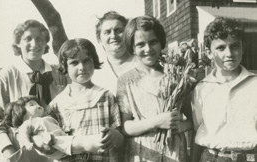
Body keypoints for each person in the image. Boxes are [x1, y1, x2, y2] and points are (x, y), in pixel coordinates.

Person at [116, 15, 192, 162]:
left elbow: (193, 120)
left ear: (161, 42)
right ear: (132, 47)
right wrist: (157, 121)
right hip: (141, 153)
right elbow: (125, 128)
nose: (148, 49)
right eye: (140, 44)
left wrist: (179, 126)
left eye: (153, 42)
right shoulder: (126, 80)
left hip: (174, 151)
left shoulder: (176, 76)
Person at [0, 19, 67, 162]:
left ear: (46, 43)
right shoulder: (7, 75)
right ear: (18, 43)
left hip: (55, 153)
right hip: (19, 152)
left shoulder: (58, 74)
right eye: (28, 39)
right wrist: (9, 151)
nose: (34, 44)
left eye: (40, 39)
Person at [46, 38, 124, 162]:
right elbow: (49, 145)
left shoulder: (105, 97)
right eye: (74, 63)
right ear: (65, 66)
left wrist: (115, 136)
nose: (82, 67)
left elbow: (120, 141)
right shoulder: (57, 105)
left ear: (94, 61)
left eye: (86, 61)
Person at [191, 17, 257, 162]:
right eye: (220, 48)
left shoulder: (254, 85)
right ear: (209, 53)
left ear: (243, 48)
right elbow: (198, 127)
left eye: (234, 46)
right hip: (212, 157)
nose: (229, 53)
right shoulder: (202, 88)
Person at [93, 11, 138, 95]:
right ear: (99, 39)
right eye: (107, 32)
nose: (113, 36)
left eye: (118, 30)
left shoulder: (141, 64)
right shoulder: (95, 72)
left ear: (127, 34)